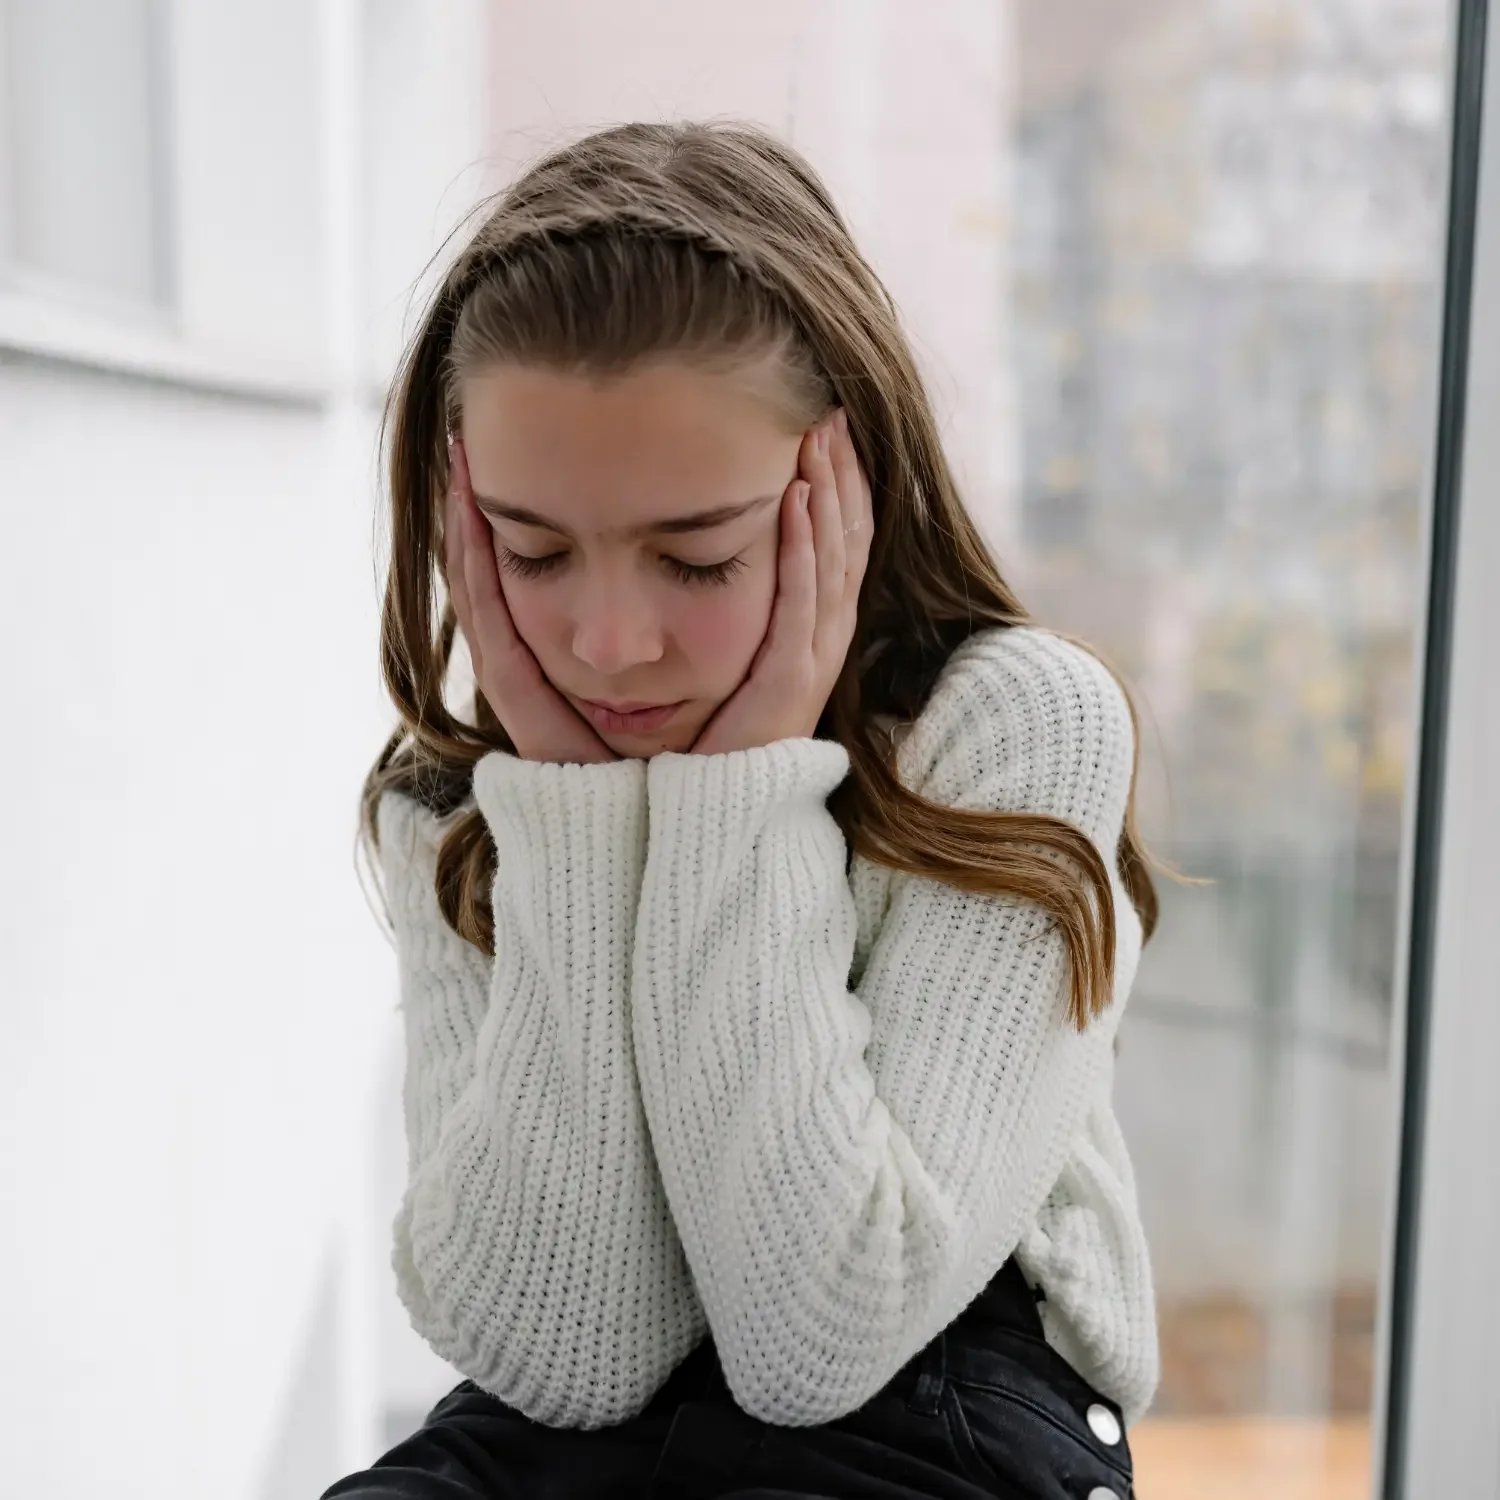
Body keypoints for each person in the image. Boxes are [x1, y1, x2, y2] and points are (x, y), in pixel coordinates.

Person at [327, 119, 1160, 1500]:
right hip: (564, 1444)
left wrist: (738, 794)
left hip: (929, 1413)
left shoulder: (1013, 725)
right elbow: (567, 1356)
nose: (606, 643)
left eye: (697, 561)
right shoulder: (461, 807)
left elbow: (818, 1338)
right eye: (532, 553)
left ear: (841, 492)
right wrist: (580, 825)